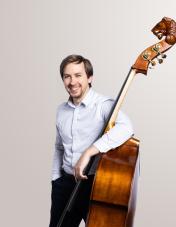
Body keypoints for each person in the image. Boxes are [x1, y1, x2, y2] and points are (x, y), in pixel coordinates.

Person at [49, 54, 134, 227]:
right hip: (64, 184)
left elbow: (127, 128)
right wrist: (55, 178)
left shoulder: (103, 105)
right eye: (67, 76)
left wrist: (89, 152)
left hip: (94, 186)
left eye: (78, 75)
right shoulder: (61, 111)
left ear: (89, 77)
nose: (72, 82)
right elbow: (59, 147)